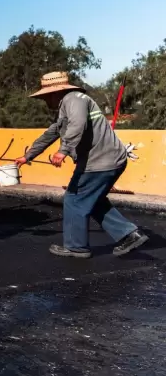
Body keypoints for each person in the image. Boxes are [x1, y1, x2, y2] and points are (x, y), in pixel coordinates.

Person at [15, 71, 148, 258]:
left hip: (100, 162)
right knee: (92, 200)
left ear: (54, 93)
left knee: (74, 199)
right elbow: (52, 133)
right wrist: (28, 156)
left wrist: (63, 151)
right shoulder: (67, 106)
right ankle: (129, 235)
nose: (45, 102)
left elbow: (78, 124)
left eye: (45, 97)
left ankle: (76, 247)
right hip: (106, 160)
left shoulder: (74, 100)